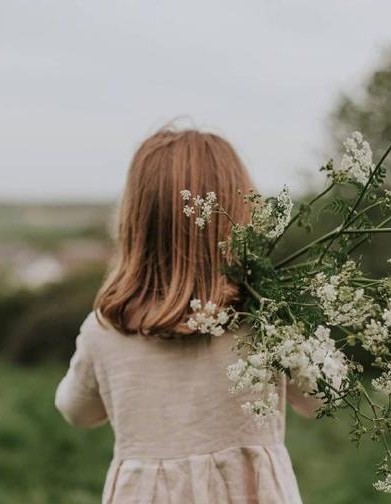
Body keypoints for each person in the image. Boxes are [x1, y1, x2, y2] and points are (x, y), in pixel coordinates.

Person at [54, 127, 321, 504]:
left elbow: (76, 411)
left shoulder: (105, 329)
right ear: (240, 215)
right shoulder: (266, 319)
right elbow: (320, 400)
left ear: (135, 222)